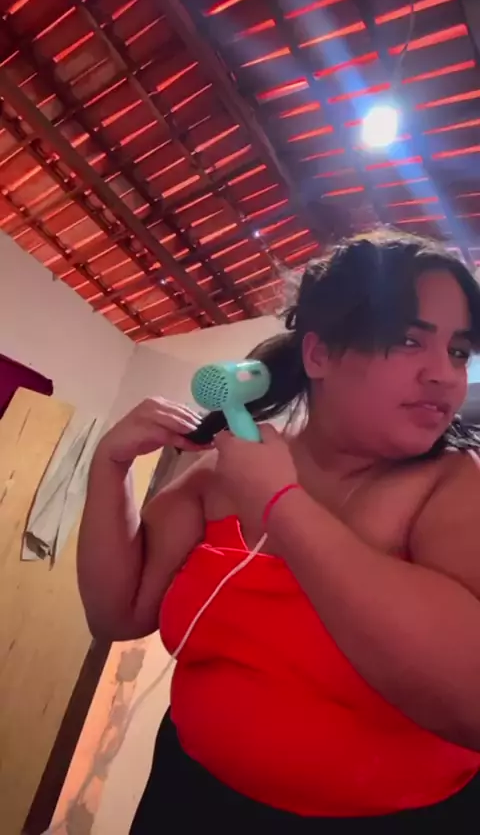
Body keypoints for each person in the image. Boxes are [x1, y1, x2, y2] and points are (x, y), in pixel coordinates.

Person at [79, 230, 480, 832]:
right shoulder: (225, 471)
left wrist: (280, 505)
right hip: (187, 799)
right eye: (408, 341)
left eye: (459, 351)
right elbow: (118, 614)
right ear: (320, 354)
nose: (444, 375)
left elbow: (470, 701)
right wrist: (109, 468)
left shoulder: (456, 484)